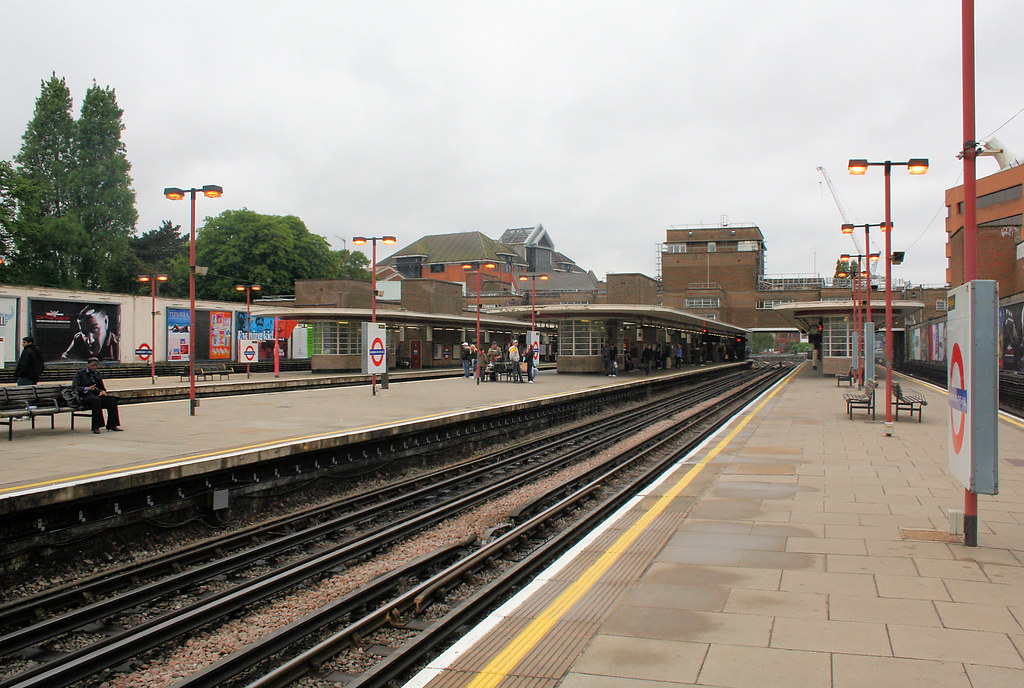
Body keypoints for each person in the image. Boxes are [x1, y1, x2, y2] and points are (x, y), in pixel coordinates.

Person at [72, 357, 122, 434]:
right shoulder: (80, 374)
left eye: (96, 365)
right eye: (92, 365)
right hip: (84, 396)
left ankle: (112, 424)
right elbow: (75, 387)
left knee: (112, 400)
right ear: (88, 365)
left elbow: (101, 387)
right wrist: (87, 388)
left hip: (96, 394)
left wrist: (102, 391)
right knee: (96, 400)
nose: (94, 367)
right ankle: (96, 426)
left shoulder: (97, 374)